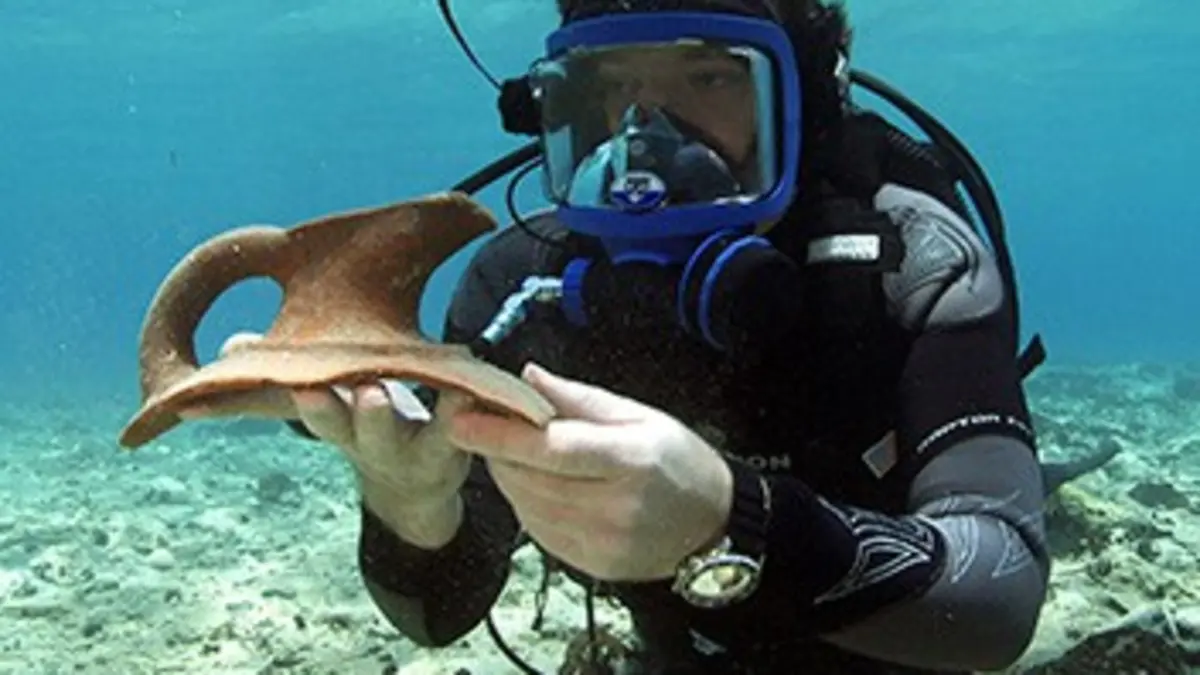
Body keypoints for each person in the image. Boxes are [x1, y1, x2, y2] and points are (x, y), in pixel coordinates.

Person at [199, 1, 1084, 672]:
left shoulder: (908, 261)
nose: (646, 140)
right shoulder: (519, 291)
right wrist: (411, 507)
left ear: (804, 97)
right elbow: (439, 613)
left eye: (707, 78)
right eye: (613, 87)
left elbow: (999, 597)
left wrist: (730, 521)